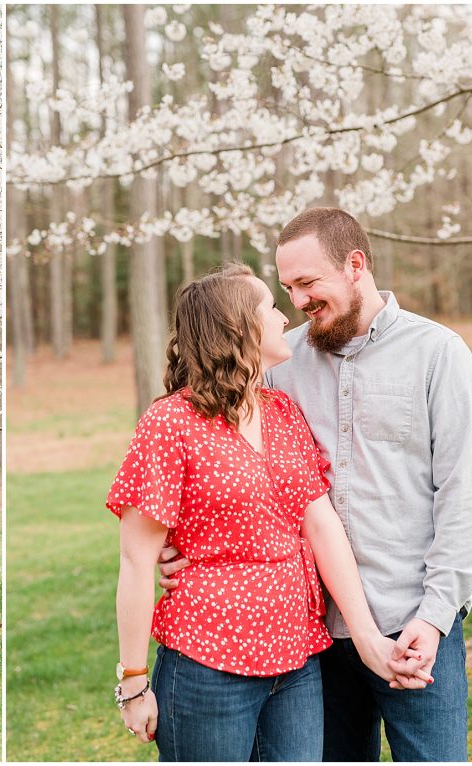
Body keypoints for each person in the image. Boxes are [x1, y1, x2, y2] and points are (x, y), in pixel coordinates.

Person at [109, 264, 430, 762]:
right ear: (238, 327)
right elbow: (134, 560)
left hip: (296, 662)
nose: (285, 318)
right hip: (208, 663)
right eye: (270, 308)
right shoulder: (170, 422)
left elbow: (321, 525)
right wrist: (132, 681)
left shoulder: (281, 411)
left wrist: (366, 635)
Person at [265, 207, 472, 761]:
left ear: (355, 264)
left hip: (415, 629)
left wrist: (434, 621)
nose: (298, 300)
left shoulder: (439, 354)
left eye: (308, 282)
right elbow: (243, 480)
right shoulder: (280, 366)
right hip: (314, 636)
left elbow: (460, 499)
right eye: (287, 287)